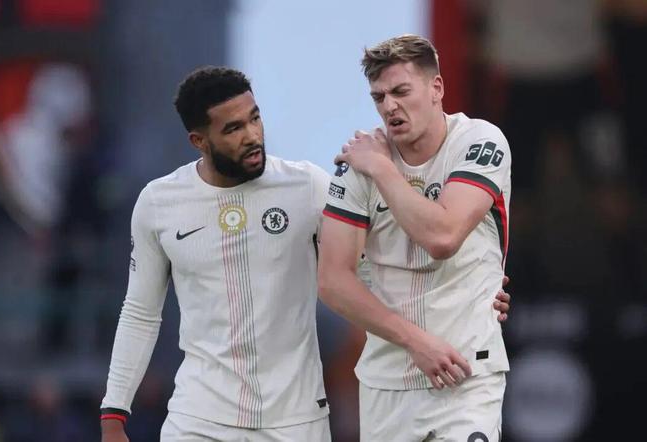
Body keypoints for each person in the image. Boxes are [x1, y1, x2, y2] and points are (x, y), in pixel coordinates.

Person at [99, 66, 512, 441]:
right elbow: (140, 312)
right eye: (233, 129)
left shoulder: (307, 187)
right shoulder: (159, 203)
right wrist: (114, 414)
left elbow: (381, 272)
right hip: (198, 419)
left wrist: (472, 289)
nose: (252, 135)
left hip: (296, 422)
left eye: (255, 118)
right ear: (199, 141)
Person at [318, 35, 511, 442]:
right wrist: (415, 342)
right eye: (379, 97)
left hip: (467, 373)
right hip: (386, 383)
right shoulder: (356, 166)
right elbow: (333, 281)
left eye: (401, 91)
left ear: (436, 88)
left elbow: (443, 237)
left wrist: (383, 170)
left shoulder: (478, 141)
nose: (389, 106)